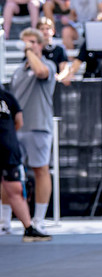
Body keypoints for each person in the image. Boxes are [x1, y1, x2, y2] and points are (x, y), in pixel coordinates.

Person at [5, 28, 56, 233]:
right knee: (8, 173)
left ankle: (39, 219)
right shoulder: (18, 71)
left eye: (33, 42)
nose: (28, 46)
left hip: (39, 126)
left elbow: (41, 72)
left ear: (40, 45)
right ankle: (4, 220)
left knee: (40, 170)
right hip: (16, 129)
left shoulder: (48, 65)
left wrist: (30, 53)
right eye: (25, 43)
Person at [0, 84, 51, 241]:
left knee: (14, 187)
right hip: (8, 148)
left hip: (7, 150)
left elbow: (19, 122)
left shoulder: (7, 97)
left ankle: (29, 228)